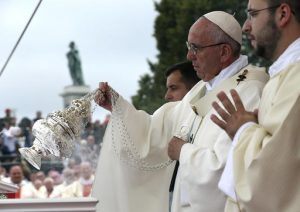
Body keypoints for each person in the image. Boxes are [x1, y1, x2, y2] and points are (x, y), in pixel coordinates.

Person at [92, 11, 268, 212]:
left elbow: (231, 169)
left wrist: (183, 151)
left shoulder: (248, 92)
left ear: (224, 52)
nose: (189, 55)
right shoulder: (200, 90)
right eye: (189, 46)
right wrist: (118, 106)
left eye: (196, 48)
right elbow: (153, 131)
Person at [210, 1, 300, 211]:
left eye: (252, 15)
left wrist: (242, 129)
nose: (245, 27)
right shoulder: (282, 75)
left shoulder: (296, 77)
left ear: (283, 14)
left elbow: (274, 175)